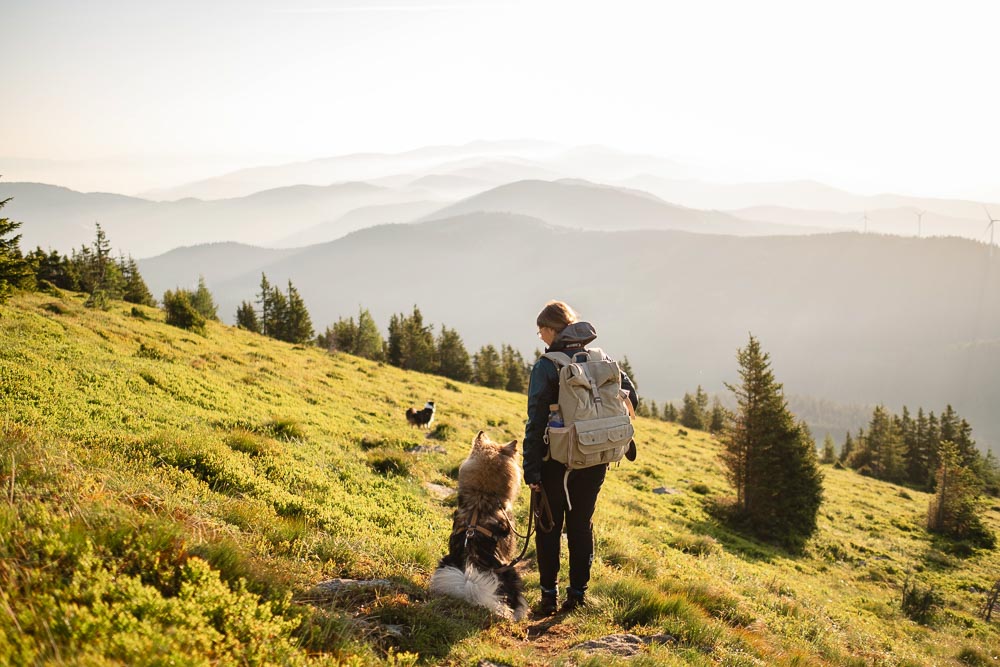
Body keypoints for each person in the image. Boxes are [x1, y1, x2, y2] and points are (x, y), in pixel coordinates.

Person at [523, 300, 638, 615]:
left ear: (552, 329)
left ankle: (548, 597)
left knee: (549, 526)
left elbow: (535, 421)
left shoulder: (547, 366)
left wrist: (531, 471)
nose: (540, 337)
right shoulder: (602, 358)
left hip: (556, 461)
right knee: (580, 525)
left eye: (541, 330)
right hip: (595, 454)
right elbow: (633, 398)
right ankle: (577, 596)